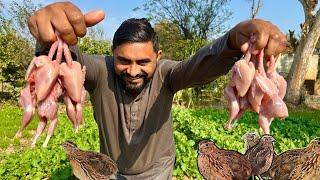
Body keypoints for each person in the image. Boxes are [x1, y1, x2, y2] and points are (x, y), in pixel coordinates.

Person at [28, 2, 288, 179]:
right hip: (112, 172)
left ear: (158, 57)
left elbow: (198, 66)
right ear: (112, 56)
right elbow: (65, 62)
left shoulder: (166, 74)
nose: (132, 71)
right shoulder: (99, 72)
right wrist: (48, 37)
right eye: (123, 61)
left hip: (158, 172)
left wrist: (231, 41)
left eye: (143, 62)